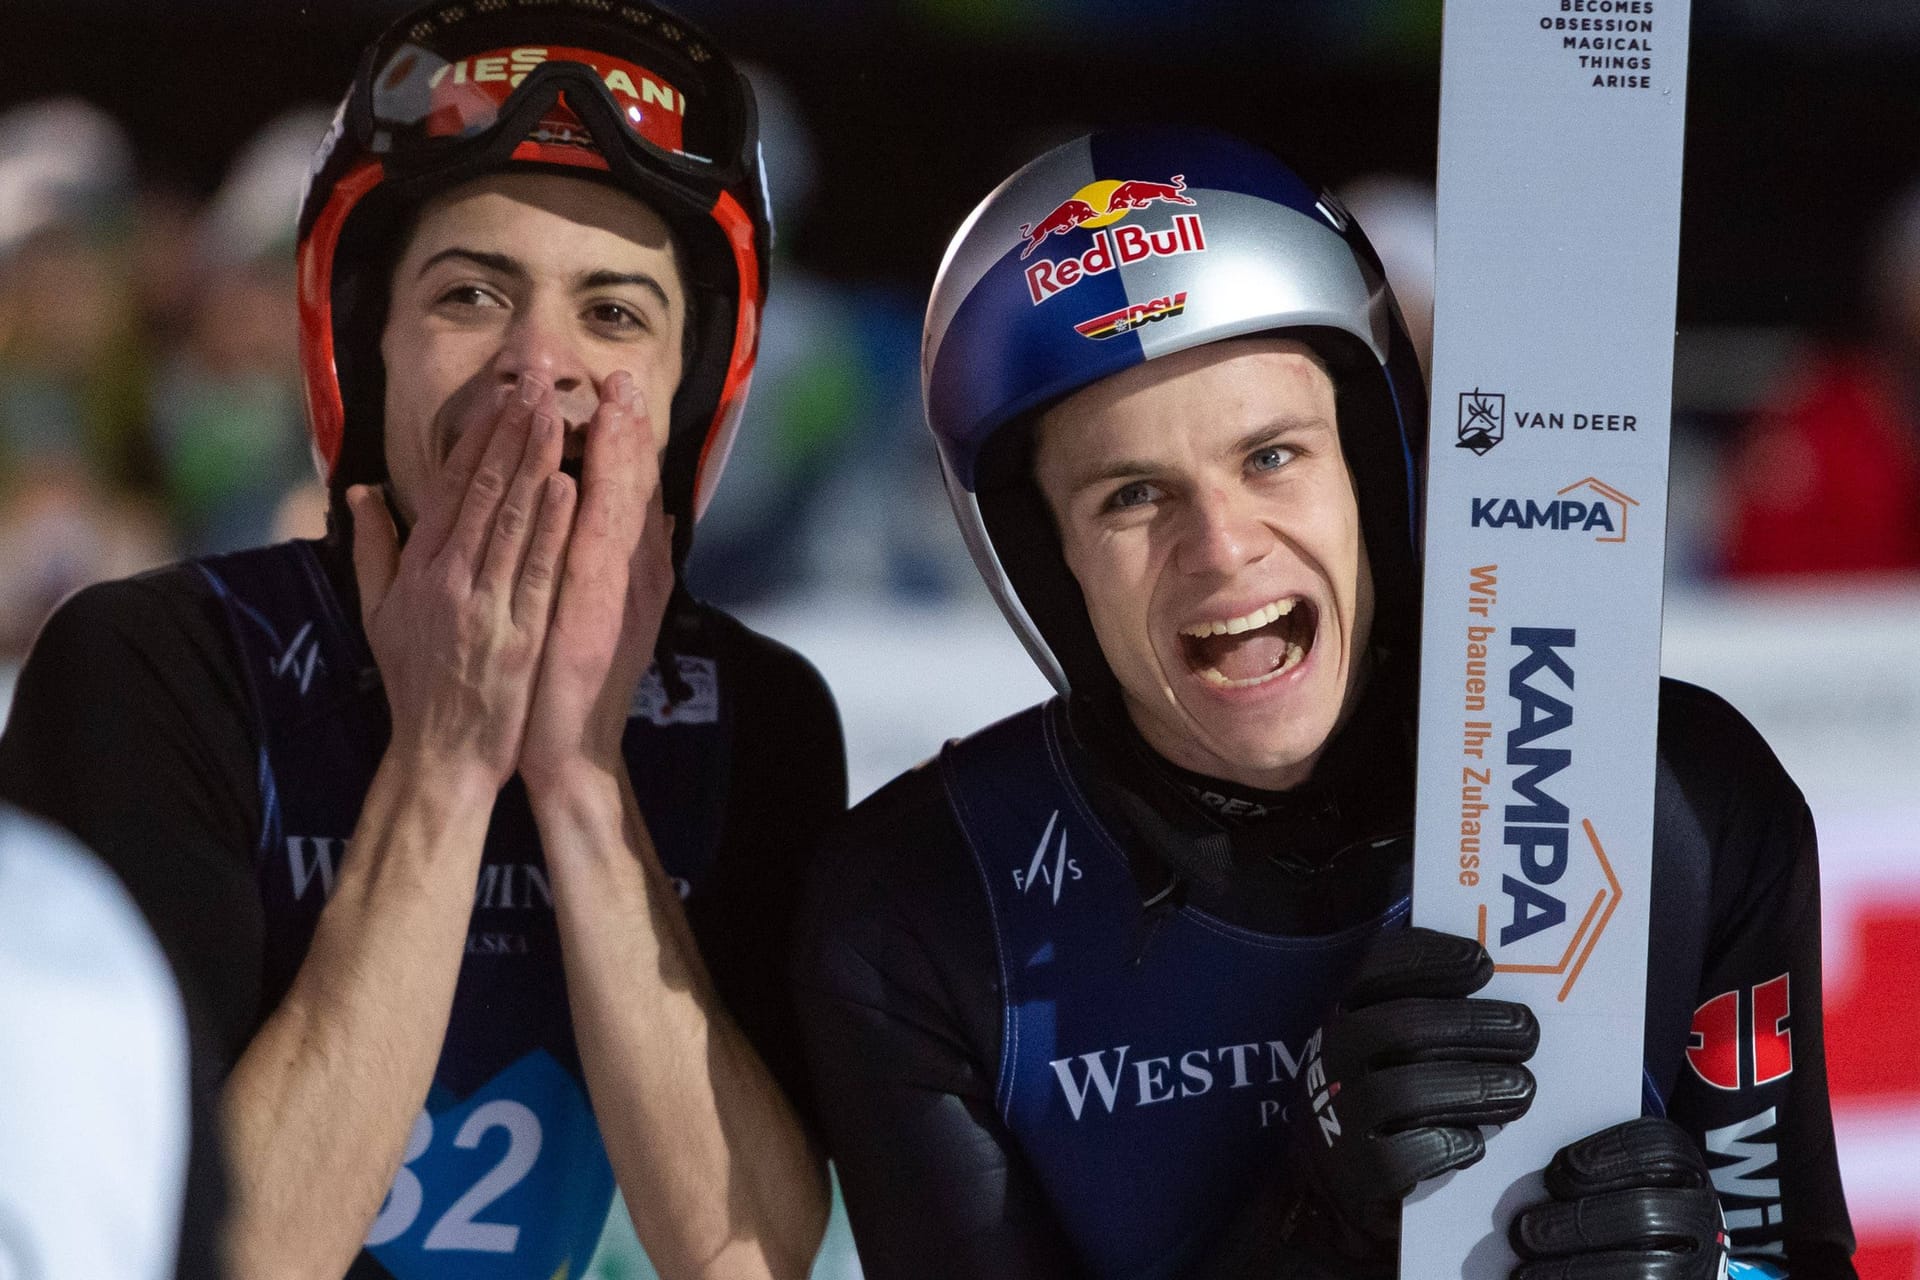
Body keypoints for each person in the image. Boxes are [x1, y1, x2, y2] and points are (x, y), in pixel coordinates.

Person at [793, 128, 1856, 1279]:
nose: (1221, 547)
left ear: (1372, 465)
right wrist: (1315, 1222)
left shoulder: (1680, 798)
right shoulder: (920, 917)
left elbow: (1792, 1255)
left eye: (1271, 456)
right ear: (1042, 562)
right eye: (1132, 493)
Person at [0, 3, 845, 1277]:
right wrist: (447, 763)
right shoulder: (150, 668)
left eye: (615, 316)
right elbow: (212, 1256)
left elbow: (747, 1256)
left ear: (692, 390)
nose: (536, 367)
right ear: (363, 344)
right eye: (471, 293)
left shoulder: (757, 714)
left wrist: (580, 779)